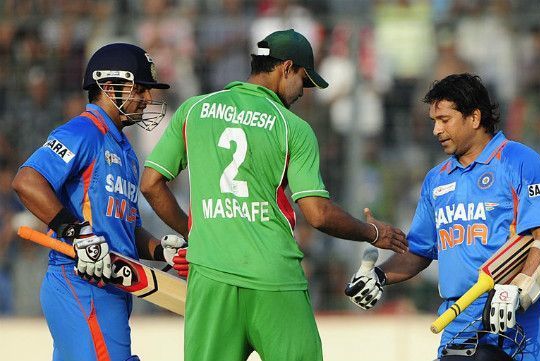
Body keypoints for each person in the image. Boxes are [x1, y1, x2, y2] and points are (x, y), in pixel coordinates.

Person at [140, 29, 407, 361]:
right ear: (287, 68)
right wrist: (373, 232)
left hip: (209, 276)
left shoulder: (194, 110)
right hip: (273, 277)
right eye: (304, 81)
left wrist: (193, 234)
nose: (302, 93)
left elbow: (151, 184)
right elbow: (318, 214)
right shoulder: (291, 126)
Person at [346, 73, 540, 361]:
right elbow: (420, 251)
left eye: (445, 120)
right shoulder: (436, 179)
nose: (436, 130)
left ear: (474, 118)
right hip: (460, 322)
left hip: (522, 319)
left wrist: (517, 288)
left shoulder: (519, 160)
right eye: (434, 121)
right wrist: (380, 276)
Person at [12, 43, 187, 361]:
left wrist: (161, 251)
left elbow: (126, 228)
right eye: (141, 88)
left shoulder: (127, 153)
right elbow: (27, 181)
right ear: (110, 87)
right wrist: (76, 233)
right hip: (81, 281)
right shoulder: (82, 131)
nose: (147, 98)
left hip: (112, 287)